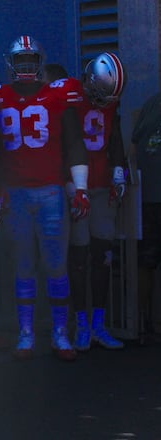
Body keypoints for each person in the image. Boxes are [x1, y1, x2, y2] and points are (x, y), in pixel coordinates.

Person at [0, 35, 88, 361]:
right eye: (21, 62)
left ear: (40, 64)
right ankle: (26, 331)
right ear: (11, 64)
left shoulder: (58, 95)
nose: (26, 67)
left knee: (56, 264)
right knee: (23, 265)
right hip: (15, 194)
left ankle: (61, 331)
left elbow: (75, 142)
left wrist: (80, 187)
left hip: (50, 192)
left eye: (31, 61)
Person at [67, 53, 127, 351]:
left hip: (102, 185)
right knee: (78, 257)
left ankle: (98, 325)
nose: (106, 102)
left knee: (103, 256)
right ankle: (80, 325)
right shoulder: (68, 94)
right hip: (76, 186)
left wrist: (119, 171)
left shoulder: (110, 101)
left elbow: (114, 135)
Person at [133, 90, 161, 338]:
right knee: (145, 263)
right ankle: (143, 321)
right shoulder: (152, 104)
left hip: (150, 198)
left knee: (146, 263)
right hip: (150, 199)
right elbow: (133, 144)